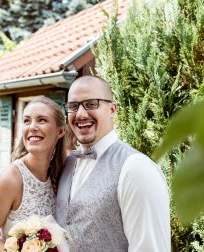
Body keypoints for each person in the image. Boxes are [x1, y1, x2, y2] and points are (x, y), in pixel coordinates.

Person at [56, 76, 171, 251]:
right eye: (73, 106)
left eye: (91, 103)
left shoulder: (136, 168)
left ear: (112, 109)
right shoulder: (68, 163)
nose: (80, 114)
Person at [0, 96, 67, 251]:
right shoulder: (11, 178)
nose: (32, 127)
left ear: (60, 131)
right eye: (26, 121)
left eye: (42, 120)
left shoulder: (61, 174)